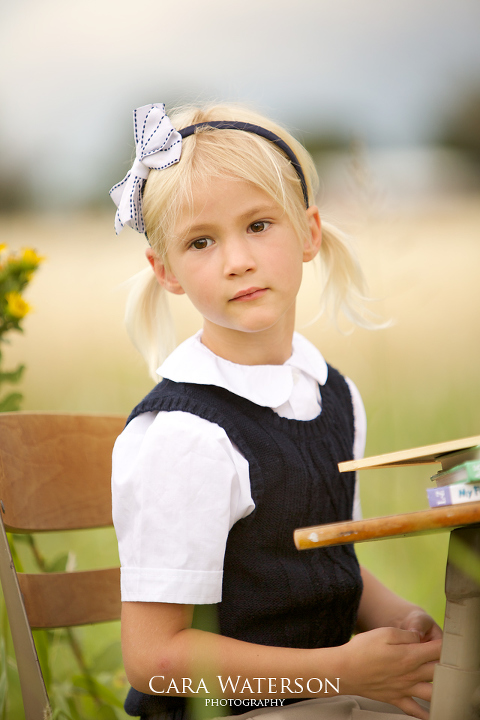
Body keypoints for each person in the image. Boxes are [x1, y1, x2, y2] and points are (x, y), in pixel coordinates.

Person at [110, 103, 442, 720]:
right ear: (167, 271)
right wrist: (340, 671)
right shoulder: (186, 435)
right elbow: (153, 660)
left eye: (259, 225)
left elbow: (323, 561)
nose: (236, 259)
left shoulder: (333, 394)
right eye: (201, 241)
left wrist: (404, 625)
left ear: (309, 232)